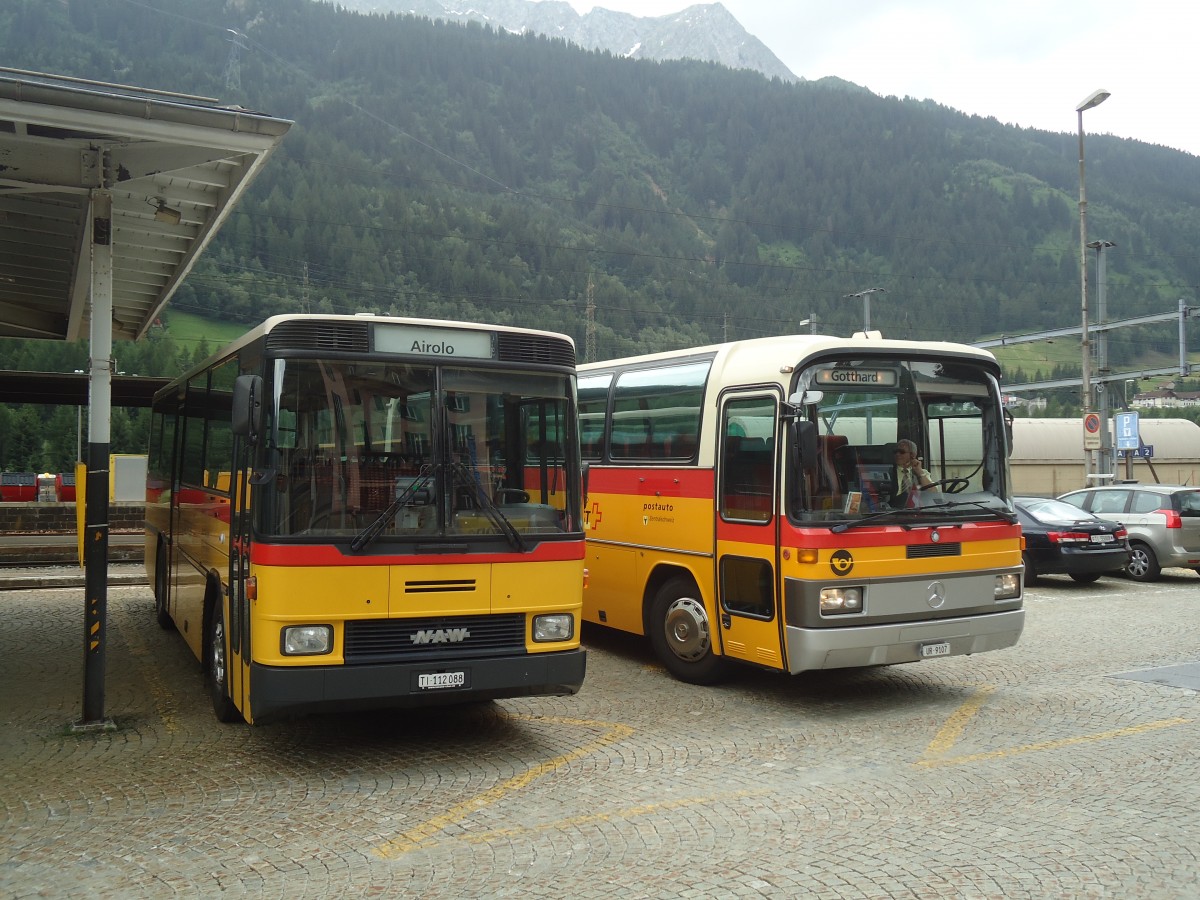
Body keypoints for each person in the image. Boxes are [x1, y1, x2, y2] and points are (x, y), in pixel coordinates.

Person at [891, 439, 934, 506]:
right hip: (891, 512)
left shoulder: (922, 473)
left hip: (915, 511)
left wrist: (919, 472)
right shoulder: (888, 472)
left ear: (912, 455)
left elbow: (933, 493)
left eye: (902, 452)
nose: (897, 454)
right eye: (896, 452)